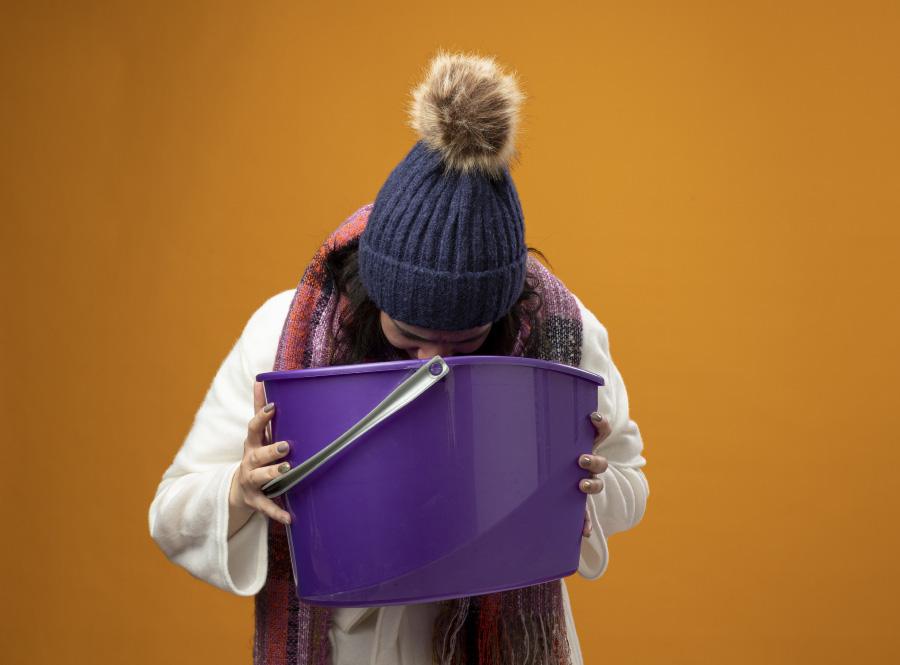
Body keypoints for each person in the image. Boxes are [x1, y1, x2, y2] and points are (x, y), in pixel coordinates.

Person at [150, 52, 648, 665]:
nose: (431, 361)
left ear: (503, 314)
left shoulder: (565, 336)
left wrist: (584, 490)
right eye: (408, 336)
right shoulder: (282, 333)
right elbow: (171, 513)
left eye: (464, 343)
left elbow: (630, 480)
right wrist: (238, 487)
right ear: (371, 295)